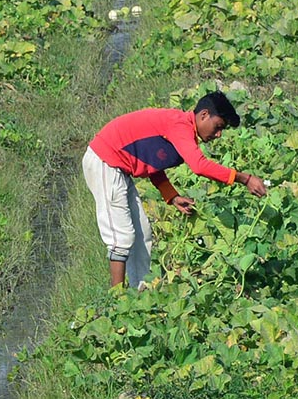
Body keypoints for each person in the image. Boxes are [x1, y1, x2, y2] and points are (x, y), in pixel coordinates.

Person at [82, 91, 267, 288]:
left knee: (142, 232)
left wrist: (171, 196)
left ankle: (140, 291)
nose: (218, 134)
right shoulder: (180, 125)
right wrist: (244, 178)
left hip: (118, 168)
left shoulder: (179, 126)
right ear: (204, 115)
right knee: (121, 236)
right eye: (218, 127)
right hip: (105, 162)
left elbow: (152, 162)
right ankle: (116, 298)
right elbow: (199, 166)